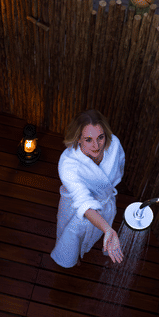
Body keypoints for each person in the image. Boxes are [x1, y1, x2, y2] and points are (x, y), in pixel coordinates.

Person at [50, 109, 125, 268]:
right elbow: (84, 202)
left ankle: (86, 248)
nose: (96, 146)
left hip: (104, 204)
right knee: (71, 238)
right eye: (88, 140)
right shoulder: (68, 163)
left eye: (100, 137)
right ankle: (73, 257)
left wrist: (109, 195)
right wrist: (108, 229)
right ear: (78, 138)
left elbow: (117, 172)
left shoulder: (114, 146)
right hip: (75, 208)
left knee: (93, 235)